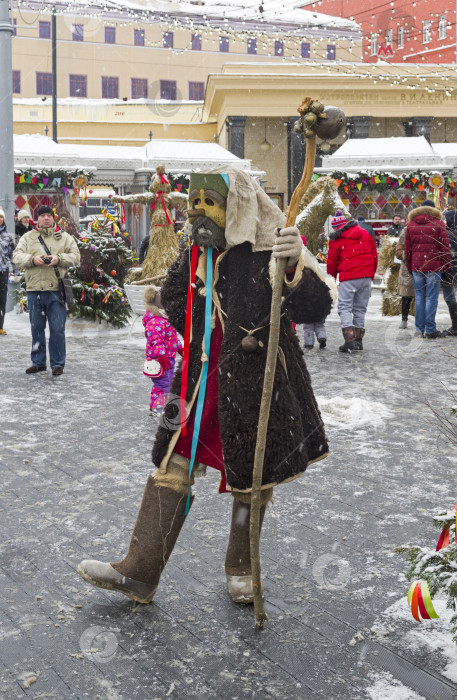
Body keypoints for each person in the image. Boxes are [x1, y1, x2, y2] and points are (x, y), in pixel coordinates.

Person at [77, 167, 336, 606]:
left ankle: (241, 567)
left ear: (234, 206)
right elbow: (174, 294)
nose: (198, 213)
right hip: (199, 375)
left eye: (208, 203)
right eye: (194, 203)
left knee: (251, 476)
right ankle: (139, 571)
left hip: (258, 380)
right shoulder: (197, 248)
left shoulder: (269, 244)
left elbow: (315, 305)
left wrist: (295, 265)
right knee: (172, 461)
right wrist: (199, 326)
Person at [12, 205, 80, 375]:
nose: (46, 218)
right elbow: (16, 256)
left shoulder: (64, 238)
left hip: (56, 290)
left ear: (53, 218)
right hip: (34, 290)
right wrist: (32, 259)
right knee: (36, 328)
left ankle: (58, 364)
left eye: (49, 215)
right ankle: (38, 362)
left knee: (57, 329)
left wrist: (60, 258)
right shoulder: (28, 237)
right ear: (37, 219)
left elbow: (76, 257)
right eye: (42, 215)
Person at [327, 211, 378, 352]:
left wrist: (331, 280)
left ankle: (349, 341)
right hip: (365, 277)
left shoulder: (336, 239)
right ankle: (359, 341)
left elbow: (332, 262)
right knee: (360, 309)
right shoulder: (364, 234)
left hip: (348, 277)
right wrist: (370, 275)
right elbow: (374, 255)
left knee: (344, 308)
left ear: (337, 227)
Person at [404, 200, 452, 339]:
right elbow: (444, 248)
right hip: (434, 266)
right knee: (431, 298)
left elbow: (408, 250)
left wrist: (409, 266)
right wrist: (446, 266)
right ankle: (430, 329)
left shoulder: (411, 225)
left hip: (417, 267)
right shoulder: (439, 224)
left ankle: (419, 329)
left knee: (419, 297)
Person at [143, 285, 182, 416]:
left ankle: (163, 404)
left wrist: (180, 348)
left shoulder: (164, 319)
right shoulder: (155, 322)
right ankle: (156, 407)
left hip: (168, 359)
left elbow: (171, 339)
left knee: (168, 383)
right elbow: (155, 341)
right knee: (162, 384)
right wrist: (161, 357)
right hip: (159, 360)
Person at [395, 228, 415, 329]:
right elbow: (398, 252)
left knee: (422, 297)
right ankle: (404, 319)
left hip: (422, 267)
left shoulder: (426, 229)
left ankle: (421, 321)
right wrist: (408, 256)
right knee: (406, 295)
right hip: (407, 268)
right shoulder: (406, 231)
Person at [442, 208, 457, 337]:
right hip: (452, 270)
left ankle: (456, 326)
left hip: (450, 271)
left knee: (449, 297)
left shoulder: (450, 235)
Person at [0, 209, 15, 336]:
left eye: (0, 217)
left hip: (3, 271)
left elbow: (12, 254)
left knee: (2, 299)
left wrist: (15, 269)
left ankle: (0, 326)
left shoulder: (8, 236)